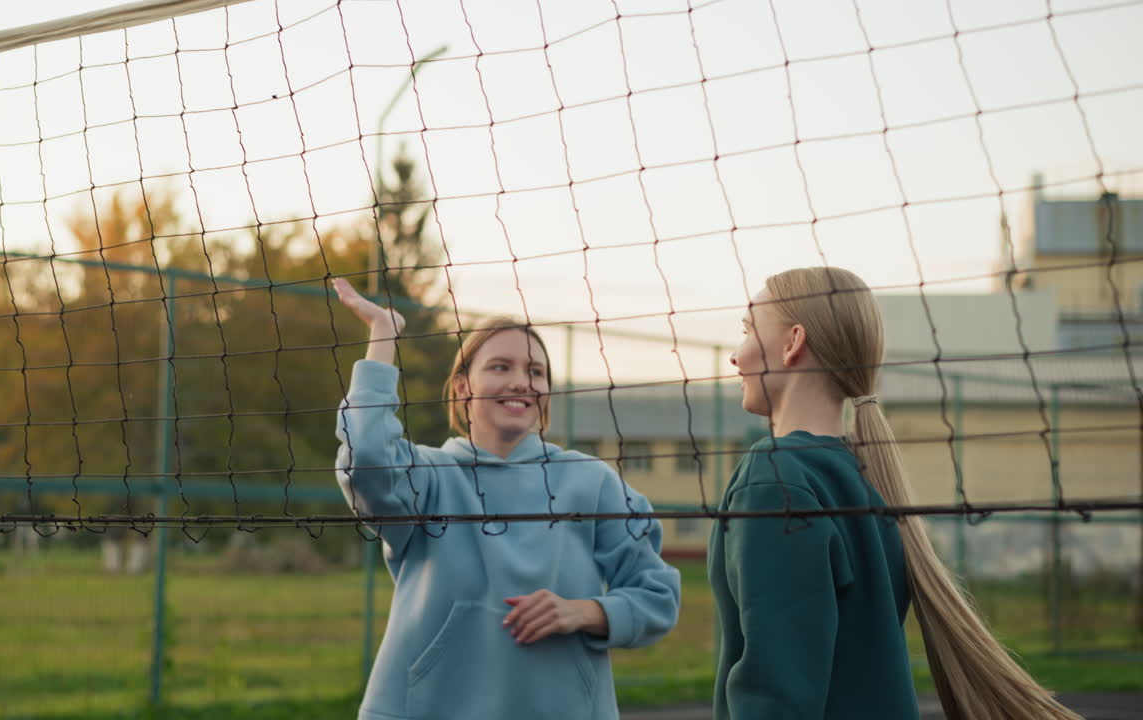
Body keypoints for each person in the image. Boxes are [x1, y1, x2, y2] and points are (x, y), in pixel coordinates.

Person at [709, 266, 1080, 720]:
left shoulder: (774, 477)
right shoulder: (866, 478)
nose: (736, 356)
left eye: (748, 330)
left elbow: (778, 694)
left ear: (793, 343)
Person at [332, 277, 681, 720]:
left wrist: (585, 611)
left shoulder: (591, 481)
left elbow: (657, 596)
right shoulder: (429, 477)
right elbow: (366, 458)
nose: (521, 382)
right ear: (462, 387)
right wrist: (384, 336)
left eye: (535, 372)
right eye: (500, 367)